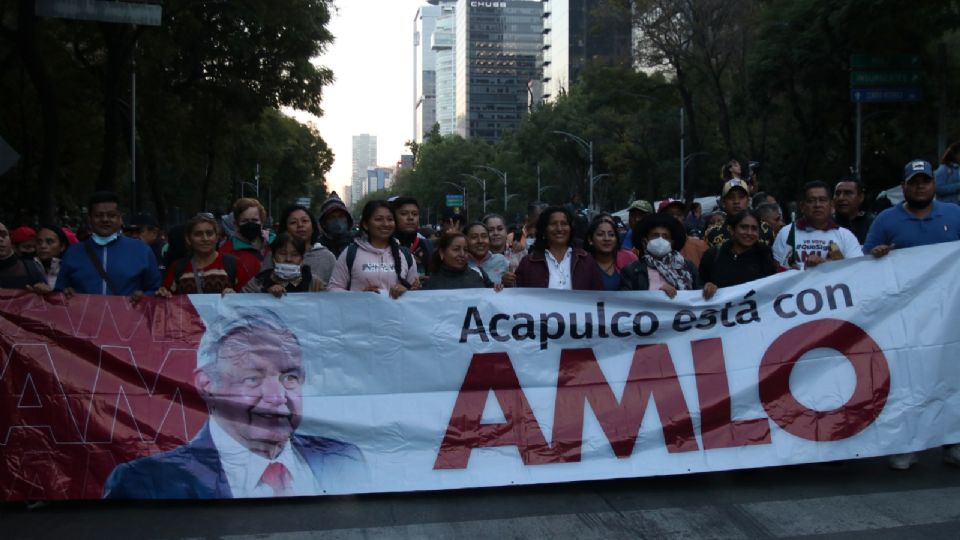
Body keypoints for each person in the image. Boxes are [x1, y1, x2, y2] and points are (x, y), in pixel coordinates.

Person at [103, 309, 365, 499]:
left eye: (290, 377)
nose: (277, 396)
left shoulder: (343, 459)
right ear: (207, 385)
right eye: (252, 379)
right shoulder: (145, 483)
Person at [863, 160, 960, 470]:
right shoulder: (887, 219)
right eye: (914, 181)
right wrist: (877, 255)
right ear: (903, 186)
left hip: (949, 317)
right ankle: (908, 443)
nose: (920, 186)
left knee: (951, 375)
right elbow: (864, 262)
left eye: (925, 181)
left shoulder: (954, 215)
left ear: (934, 184)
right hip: (906, 318)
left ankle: (953, 441)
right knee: (908, 379)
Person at [56, 191, 161, 301]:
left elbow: (155, 290)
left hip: (127, 317)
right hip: (84, 317)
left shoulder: (142, 250)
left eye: (111, 215)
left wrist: (144, 296)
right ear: (89, 219)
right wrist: (66, 292)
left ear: (120, 218)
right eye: (98, 215)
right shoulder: (73, 252)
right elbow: (59, 291)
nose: (105, 219)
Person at [328, 200, 418, 298]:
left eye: (390, 219)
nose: (386, 224)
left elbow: (416, 293)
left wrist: (406, 291)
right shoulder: (350, 253)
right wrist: (361, 296)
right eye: (379, 219)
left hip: (397, 313)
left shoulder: (405, 255)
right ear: (366, 224)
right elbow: (333, 289)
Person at [773, 181, 862, 270]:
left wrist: (832, 263)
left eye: (822, 200)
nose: (817, 205)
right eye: (811, 201)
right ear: (802, 206)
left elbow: (856, 270)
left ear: (832, 206)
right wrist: (805, 267)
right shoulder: (786, 233)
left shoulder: (846, 236)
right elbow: (778, 270)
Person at [515, 206, 603, 290]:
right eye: (553, 224)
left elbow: (598, 296)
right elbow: (516, 295)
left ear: (570, 228)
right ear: (544, 229)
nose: (559, 228)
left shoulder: (586, 260)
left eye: (564, 224)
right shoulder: (528, 263)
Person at [157, 214, 246, 296]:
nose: (205, 238)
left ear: (217, 237)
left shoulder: (233, 264)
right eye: (198, 234)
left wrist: (235, 296)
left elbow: (247, 300)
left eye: (209, 233)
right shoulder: (177, 268)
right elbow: (166, 301)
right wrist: (163, 293)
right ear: (188, 239)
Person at [700, 210, 778, 300]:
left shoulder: (765, 255)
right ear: (732, 229)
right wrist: (707, 286)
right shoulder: (713, 255)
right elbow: (698, 285)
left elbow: (773, 286)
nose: (749, 233)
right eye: (744, 227)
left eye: (754, 228)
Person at [620, 213, 700, 297]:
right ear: (645, 242)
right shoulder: (632, 271)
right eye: (655, 236)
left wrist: (709, 289)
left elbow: (699, 291)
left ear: (671, 243)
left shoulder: (687, 266)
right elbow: (626, 301)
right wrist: (657, 295)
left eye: (665, 236)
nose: (660, 240)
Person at [271, 205, 336, 286]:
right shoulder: (273, 254)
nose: (300, 225)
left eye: (304, 221)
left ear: (313, 227)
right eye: (293, 222)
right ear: (285, 228)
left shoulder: (327, 257)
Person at [243, 233, 324, 297]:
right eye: (282, 253)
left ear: (302, 260)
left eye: (294, 255)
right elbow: (241, 305)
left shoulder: (314, 283)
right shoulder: (257, 282)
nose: (288, 259)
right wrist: (265, 293)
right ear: (273, 257)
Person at [219, 198, 274, 289]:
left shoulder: (276, 244)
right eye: (244, 221)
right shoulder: (226, 251)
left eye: (255, 220)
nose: (250, 224)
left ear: (262, 221)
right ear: (236, 224)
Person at [706, 179, 775, 248]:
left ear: (748, 201)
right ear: (723, 202)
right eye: (731, 197)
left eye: (741, 197)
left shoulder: (766, 229)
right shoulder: (712, 232)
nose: (736, 201)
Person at [423, 231, 502, 290]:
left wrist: (498, 288)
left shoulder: (479, 274)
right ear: (442, 253)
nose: (462, 254)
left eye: (466, 250)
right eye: (456, 249)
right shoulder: (431, 282)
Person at [583, 215, 638, 291]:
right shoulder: (582, 263)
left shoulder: (629, 258)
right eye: (600, 234)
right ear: (590, 239)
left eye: (611, 235)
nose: (606, 238)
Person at [0, 222, 49, 292]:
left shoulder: (32, 268)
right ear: (15, 247)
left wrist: (43, 292)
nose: (0, 239)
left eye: (3, 235)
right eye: (27, 247)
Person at [390, 196, 432, 278]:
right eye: (404, 214)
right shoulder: (384, 247)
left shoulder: (427, 246)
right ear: (393, 218)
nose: (410, 218)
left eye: (415, 214)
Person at [659, 199, 708, 266]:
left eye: (679, 214)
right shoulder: (651, 248)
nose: (675, 217)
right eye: (670, 214)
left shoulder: (700, 246)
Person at [833, 178, 874, 245]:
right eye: (837, 193)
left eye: (848, 193)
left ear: (861, 197)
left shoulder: (873, 224)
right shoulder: (825, 224)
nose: (841, 198)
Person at [317, 192, 354, 258]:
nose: (337, 220)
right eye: (331, 217)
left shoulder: (358, 244)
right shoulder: (317, 248)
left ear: (347, 219)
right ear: (324, 223)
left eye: (340, 216)